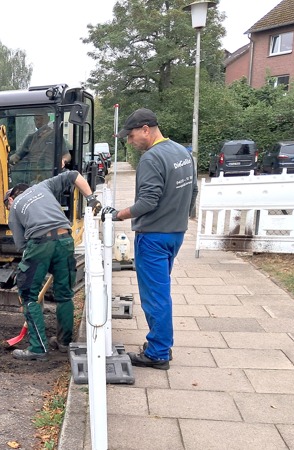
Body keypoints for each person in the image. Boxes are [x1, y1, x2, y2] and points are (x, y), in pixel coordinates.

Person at [106, 108, 198, 370]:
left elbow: (147, 201)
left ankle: (158, 353)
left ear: (146, 129)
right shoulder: (182, 152)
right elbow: (193, 190)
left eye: (132, 136)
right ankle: (160, 343)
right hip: (175, 234)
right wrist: (180, 216)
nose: (130, 141)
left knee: (155, 296)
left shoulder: (151, 158)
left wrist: (118, 215)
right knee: (161, 291)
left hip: (154, 237)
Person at [4, 171, 102, 360]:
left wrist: (38, 265)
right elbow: (73, 175)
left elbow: (23, 247)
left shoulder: (15, 207)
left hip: (40, 244)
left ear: (11, 198)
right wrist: (90, 198)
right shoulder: (43, 186)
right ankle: (64, 342)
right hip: (65, 240)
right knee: (64, 294)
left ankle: (37, 349)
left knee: (29, 296)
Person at [9, 113, 71, 184]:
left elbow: (67, 155)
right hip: (29, 170)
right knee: (14, 176)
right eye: (36, 119)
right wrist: (9, 160)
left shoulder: (56, 137)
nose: (39, 122)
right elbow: (18, 156)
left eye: (41, 119)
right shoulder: (30, 138)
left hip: (48, 170)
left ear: (47, 119)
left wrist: (63, 160)